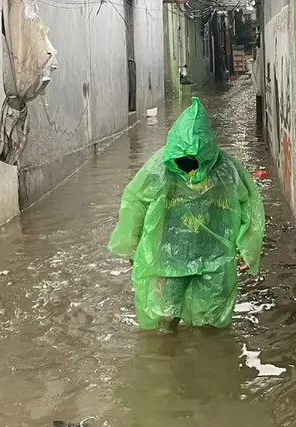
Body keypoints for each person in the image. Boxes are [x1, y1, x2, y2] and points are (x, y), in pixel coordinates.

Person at [109, 97, 266, 331]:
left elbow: (250, 208)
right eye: (185, 163)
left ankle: (202, 360)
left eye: (196, 163)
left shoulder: (227, 170)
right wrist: (132, 248)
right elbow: (134, 205)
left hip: (214, 257)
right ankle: (171, 357)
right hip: (169, 256)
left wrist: (247, 249)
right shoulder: (158, 169)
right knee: (166, 316)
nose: (192, 172)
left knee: (211, 319)